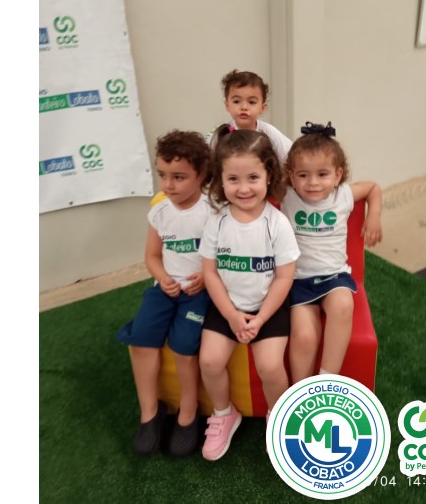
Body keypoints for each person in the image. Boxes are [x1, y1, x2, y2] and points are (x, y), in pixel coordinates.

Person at [198, 129, 299, 461]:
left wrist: (260, 319)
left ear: (269, 175)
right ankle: (225, 413)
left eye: (253, 177)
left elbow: (284, 277)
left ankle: (278, 415)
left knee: (270, 366)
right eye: (233, 179)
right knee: (210, 361)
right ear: (220, 180)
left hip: (268, 308)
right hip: (226, 307)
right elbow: (210, 272)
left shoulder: (277, 223)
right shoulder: (217, 223)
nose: (243, 188)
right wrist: (230, 314)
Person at [115, 130, 212, 457]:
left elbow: (225, 254)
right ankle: (150, 414)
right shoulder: (159, 212)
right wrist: (162, 277)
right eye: (163, 175)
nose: (168, 184)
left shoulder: (213, 211)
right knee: (141, 339)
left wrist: (206, 276)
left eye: (179, 177)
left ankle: (188, 413)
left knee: (184, 346)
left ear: (201, 174)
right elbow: (152, 256)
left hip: (199, 293)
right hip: (165, 289)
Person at [281, 122, 384, 384]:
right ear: (291, 177)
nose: (313, 183)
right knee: (304, 336)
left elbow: (372, 187)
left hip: (334, 277)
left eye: (322, 174)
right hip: (299, 280)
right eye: (303, 175)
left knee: (343, 305)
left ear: (338, 175)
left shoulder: (343, 195)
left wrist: (373, 216)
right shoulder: (288, 196)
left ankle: (327, 380)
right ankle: (300, 390)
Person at [208, 69, 293, 164]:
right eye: (236, 101)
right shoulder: (220, 132)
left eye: (252, 102)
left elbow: (292, 157)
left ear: (263, 107)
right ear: (227, 105)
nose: (244, 107)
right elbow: (205, 160)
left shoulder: (269, 132)